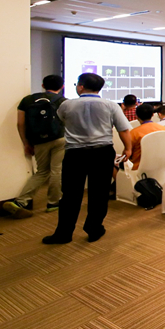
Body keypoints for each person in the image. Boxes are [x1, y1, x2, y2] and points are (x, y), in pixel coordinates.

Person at [42, 73, 132, 245]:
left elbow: (62, 120)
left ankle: (64, 233)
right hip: (102, 152)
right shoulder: (111, 105)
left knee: (70, 194)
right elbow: (123, 129)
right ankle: (94, 229)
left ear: (81, 86)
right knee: (99, 192)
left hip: (75, 153)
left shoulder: (66, 105)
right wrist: (128, 148)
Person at [4, 74, 67, 218]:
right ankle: (53, 203)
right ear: (62, 86)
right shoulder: (63, 101)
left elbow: (20, 123)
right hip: (60, 139)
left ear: (43, 85)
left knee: (42, 172)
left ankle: (21, 201)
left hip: (39, 141)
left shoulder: (27, 100)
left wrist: (26, 143)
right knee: (57, 171)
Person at [126, 102, 165, 171]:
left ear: (137, 116)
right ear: (153, 115)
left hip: (138, 168)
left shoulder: (133, 133)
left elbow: (128, 153)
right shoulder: (163, 129)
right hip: (160, 167)